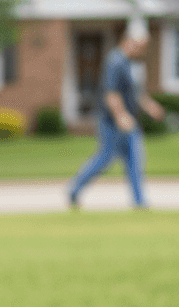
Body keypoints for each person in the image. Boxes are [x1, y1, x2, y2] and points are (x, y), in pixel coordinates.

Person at [68, 19, 164, 209]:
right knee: (104, 158)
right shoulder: (115, 62)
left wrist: (151, 106)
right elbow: (111, 94)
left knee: (135, 160)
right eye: (141, 45)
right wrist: (121, 116)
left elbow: (135, 93)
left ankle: (139, 202)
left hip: (129, 122)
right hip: (112, 122)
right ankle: (75, 190)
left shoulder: (130, 64)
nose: (142, 50)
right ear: (129, 41)